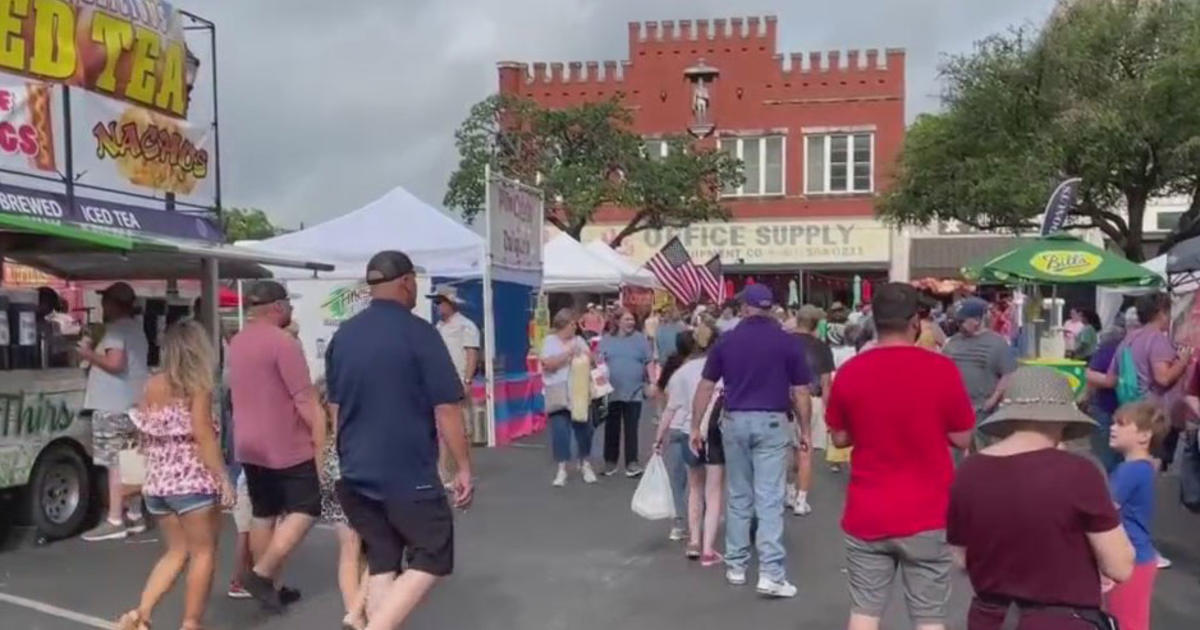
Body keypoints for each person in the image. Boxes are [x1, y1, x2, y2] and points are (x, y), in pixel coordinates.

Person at [326, 251, 474, 630]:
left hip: (355, 470)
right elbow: (446, 409)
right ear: (406, 282)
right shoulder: (420, 334)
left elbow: (334, 409)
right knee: (433, 555)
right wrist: (464, 468)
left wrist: (344, 458)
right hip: (407, 473)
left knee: (383, 559)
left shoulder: (343, 336)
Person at [825, 283, 975, 630]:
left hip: (868, 511)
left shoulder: (852, 371)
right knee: (929, 617)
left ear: (874, 322)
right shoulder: (941, 370)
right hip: (928, 512)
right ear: (916, 323)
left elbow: (840, 435)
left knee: (865, 610)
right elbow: (963, 436)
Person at [947, 366, 1135, 630]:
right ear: (1063, 419)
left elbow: (960, 557)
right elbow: (1120, 566)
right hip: (1062, 621)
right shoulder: (1079, 472)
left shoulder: (968, 471)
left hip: (991, 619)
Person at [690, 284, 811, 598]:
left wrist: (695, 425)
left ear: (744, 308)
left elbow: (705, 386)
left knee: (738, 495)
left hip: (734, 419)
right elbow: (800, 391)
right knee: (769, 497)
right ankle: (771, 572)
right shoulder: (787, 342)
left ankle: (736, 565)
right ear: (770, 309)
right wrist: (806, 430)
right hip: (772, 420)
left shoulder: (727, 341)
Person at [116, 321, 235, 630]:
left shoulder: (152, 385)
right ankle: (191, 623)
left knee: (175, 551)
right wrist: (223, 478)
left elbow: (144, 432)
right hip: (192, 483)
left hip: (158, 484)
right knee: (203, 552)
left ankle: (140, 614)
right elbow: (204, 435)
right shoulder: (198, 387)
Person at [228, 280, 328, 612]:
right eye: (288, 304)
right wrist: (321, 440)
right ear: (277, 307)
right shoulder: (283, 344)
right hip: (284, 443)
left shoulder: (237, 342)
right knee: (307, 506)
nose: (292, 309)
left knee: (264, 513)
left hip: (249, 443)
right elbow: (305, 398)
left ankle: (271, 587)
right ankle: (262, 573)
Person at [80, 282, 151, 542]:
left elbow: (115, 363)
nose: (102, 306)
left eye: (105, 301)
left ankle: (114, 519)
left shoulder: (114, 331)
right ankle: (134, 515)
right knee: (131, 459)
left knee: (115, 463)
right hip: (134, 404)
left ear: (112, 304)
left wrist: (88, 353)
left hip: (112, 406)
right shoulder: (136, 329)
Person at [655, 323, 725, 564]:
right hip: (715, 431)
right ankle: (708, 546)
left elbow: (670, 407)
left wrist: (659, 437)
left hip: (687, 430)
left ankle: (694, 539)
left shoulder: (683, 372)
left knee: (694, 487)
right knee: (714, 490)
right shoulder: (722, 368)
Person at [1105, 402, 1168, 630]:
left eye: (1121, 424)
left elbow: (1103, 510)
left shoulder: (1129, 471)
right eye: (1113, 422)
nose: (1113, 428)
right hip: (1138, 557)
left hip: (1130, 558)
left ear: (1144, 436)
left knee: (1124, 622)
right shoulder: (1143, 467)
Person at [314, 378, 369, 630]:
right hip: (355, 477)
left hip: (332, 478)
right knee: (372, 550)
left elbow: (318, 454)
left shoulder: (323, 425)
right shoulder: (356, 419)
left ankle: (354, 610)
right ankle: (358, 611)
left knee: (349, 552)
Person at [942, 297, 1017, 451]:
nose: (959, 325)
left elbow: (1007, 373)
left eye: (963, 321)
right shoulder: (953, 342)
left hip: (982, 409)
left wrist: (994, 398)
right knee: (955, 453)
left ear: (977, 320)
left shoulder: (996, 343)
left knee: (983, 451)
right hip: (955, 407)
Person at [428, 285, 481, 482]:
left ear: (450, 303)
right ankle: (443, 472)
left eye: (440, 302)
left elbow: (471, 353)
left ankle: (462, 470)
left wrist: (467, 380)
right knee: (443, 428)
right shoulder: (439, 327)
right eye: (436, 303)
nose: (437, 306)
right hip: (440, 382)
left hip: (458, 381)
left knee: (461, 428)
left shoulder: (465, 325)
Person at [541, 308, 597, 487]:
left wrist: (589, 356)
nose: (576, 327)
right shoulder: (549, 341)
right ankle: (562, 468)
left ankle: (585, 462)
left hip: (579, 391)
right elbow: (548, 364)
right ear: (564, 324)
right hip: (557, 391)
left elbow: (593, 361)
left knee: (584, 429)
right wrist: (568, 354)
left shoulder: (580, 340)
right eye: (573, 323)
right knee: (560, 431)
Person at [789, 305, 833, 516]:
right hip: (812, 399)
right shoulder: (821, 348)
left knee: (788, 449)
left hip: (784, 400)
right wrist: (829, 412)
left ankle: (788, 490)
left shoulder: (784, 342)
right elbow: (826, 384)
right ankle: (801, 498)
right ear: (816, 324)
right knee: (806, 449)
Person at [599, 309, 652, 478]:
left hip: (634, 390)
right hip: (611, 390)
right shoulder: (607, 340)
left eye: (632, 319)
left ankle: (632, 463)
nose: (631, 322)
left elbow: (649, 362)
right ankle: (610, 462)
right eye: (627, 319)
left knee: (631, 428)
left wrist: (652, 383)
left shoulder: (641, 340)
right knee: (611, 427)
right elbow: (598, 361)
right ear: (618, 321)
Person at [1085, 322, 1126, 472]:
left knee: (1109, 462)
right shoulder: (1114, 345)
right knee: (1109, 461)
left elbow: (1091, 375)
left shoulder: (1113, 346)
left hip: (1113, 410)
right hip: (1109, 409)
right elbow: (1091, 375)